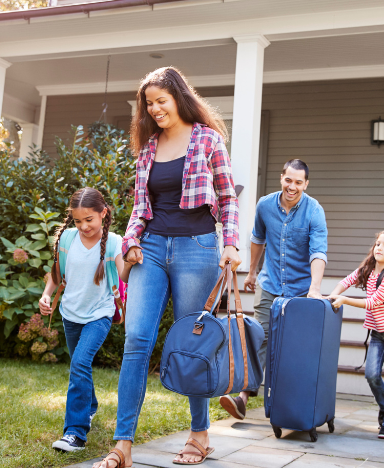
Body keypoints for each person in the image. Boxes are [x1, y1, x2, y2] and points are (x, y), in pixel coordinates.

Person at [92, 66, 241, 468]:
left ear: (178, 97)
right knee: (137, 341)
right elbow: (140, 208)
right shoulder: (147, 149)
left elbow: (227, 199)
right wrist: (132, 242)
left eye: (161, 100)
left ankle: (199, 434)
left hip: (197, 247)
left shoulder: (208, 139)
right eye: (148, 103)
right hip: (152, 249)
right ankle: (122, 444)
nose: (155, 109)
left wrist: (230, 243)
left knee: (194, 344)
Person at [219, 159, 328, 420]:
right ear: (282, 178)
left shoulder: (314, 211)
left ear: (306, 184)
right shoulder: (265, 205)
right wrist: (253, 271)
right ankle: (244, 397)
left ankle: (291, 404)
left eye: (298, 182)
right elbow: (257, 239)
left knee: (294, 346)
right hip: (269, 284)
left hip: (301, 289)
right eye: (288, 180)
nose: (292, 186)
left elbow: (318, 251)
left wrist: (315, 287)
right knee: (261, 337)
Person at [39, 187, 131, 452]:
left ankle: (75, 433)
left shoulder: (114, 242)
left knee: (79, 363)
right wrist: (47, 295)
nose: (83, 226)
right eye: (78, 221)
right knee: (80, 366)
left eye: (89, 220)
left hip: (99, 315)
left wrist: (130, 256)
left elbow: (124, 275)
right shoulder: (68, 238)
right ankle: (89, 406)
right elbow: (56, 273)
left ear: (103, 213)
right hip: (70, 313)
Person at [327, 230, 384, 440]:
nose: (379, 248)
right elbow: (348, 280)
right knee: (371, 375)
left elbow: (372, 302)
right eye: (378, 244)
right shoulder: (368, 269)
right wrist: (334, 293)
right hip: (378, 333)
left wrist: (343, 300)